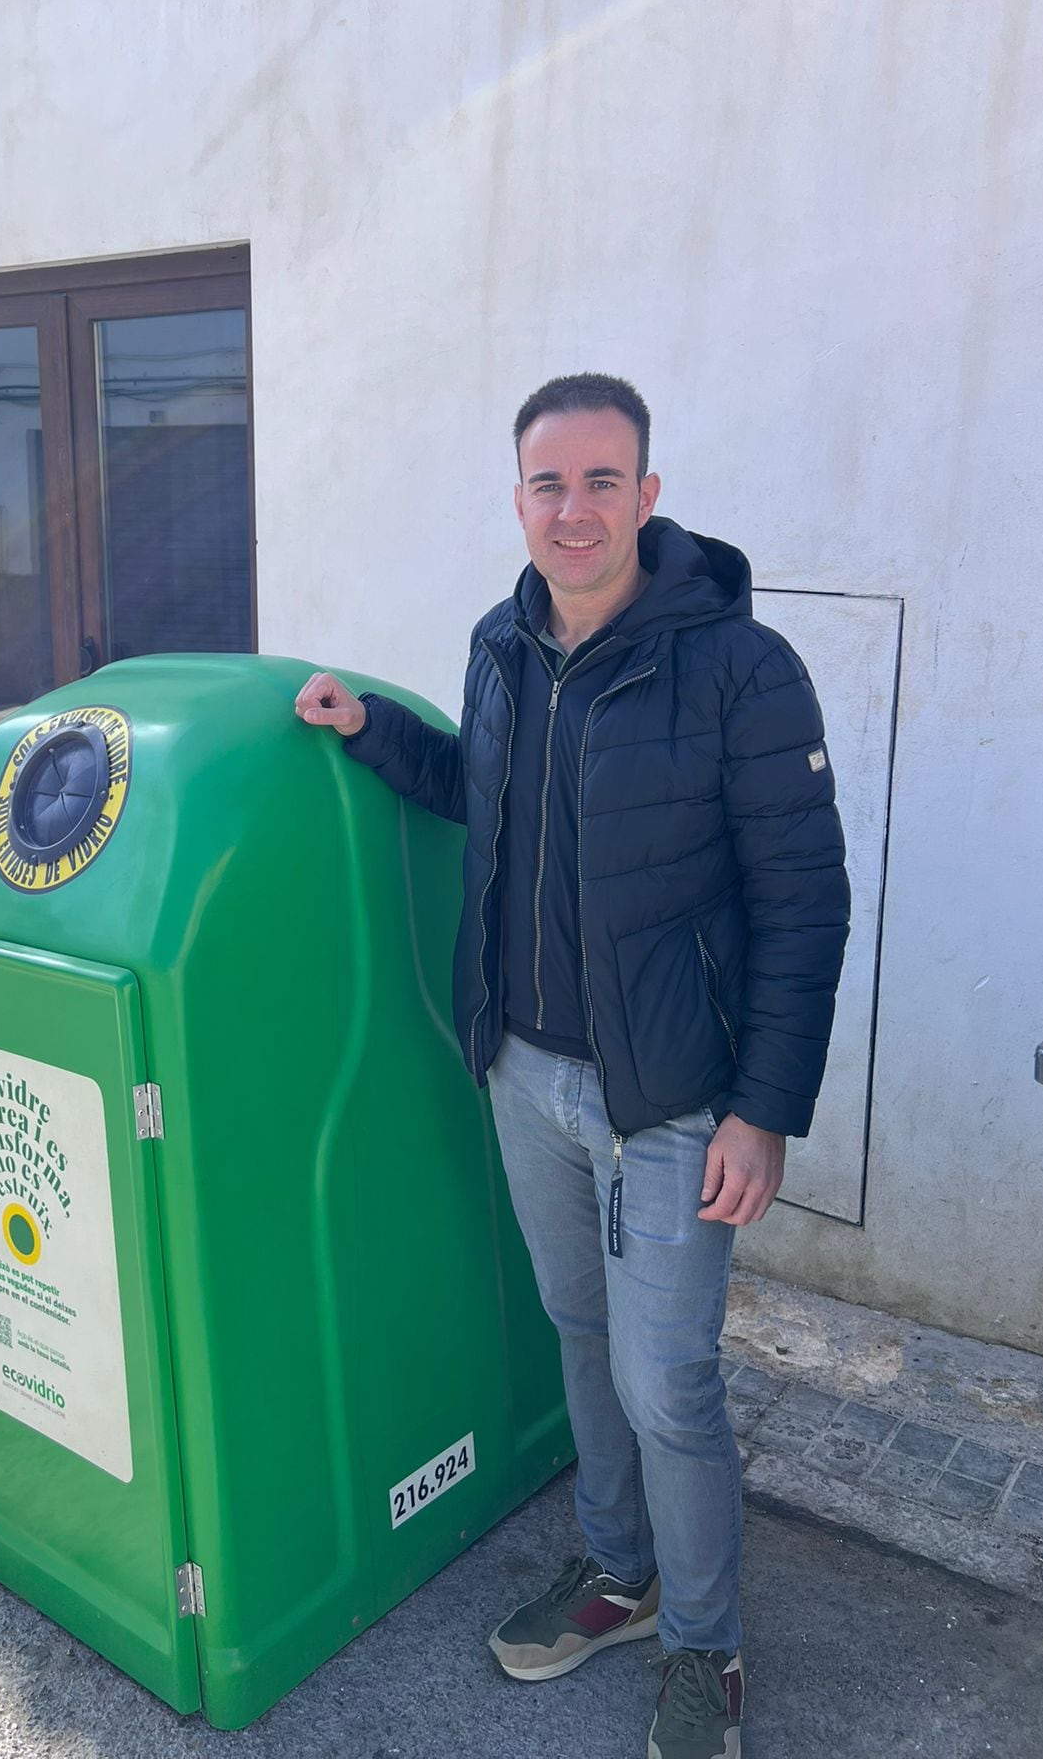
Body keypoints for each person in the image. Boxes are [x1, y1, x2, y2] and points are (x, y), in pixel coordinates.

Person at [294, 373, 849, 1759]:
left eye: (604, 482)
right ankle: (622, 1570)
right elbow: (482, 796)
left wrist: (764, 1112)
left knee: (672, 1380)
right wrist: (374, 734)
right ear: (519, 498)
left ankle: (705, 1647)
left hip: (670, 1103)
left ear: (649, 497)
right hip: (527, 1079)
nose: (575, 509)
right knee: (582, 1338)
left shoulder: (738, 668)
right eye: (550, 484)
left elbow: (804, 901)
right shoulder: (501, 646)